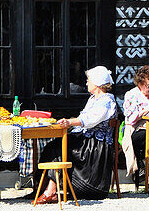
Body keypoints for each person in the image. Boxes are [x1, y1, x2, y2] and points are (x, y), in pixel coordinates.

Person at [34, 65, 118, 202]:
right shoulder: (93, 99)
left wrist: (70, 122)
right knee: (52, 146)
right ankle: (42, 189)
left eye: (89, 80)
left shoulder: (107, 101)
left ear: (97, 83)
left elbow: (91, 120)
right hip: (86, 140)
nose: (86, 83)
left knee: (59, 148)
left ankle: (50, 191)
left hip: (94, 146)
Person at [121, 65, 149, 187]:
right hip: (136, 130)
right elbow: (131, 118)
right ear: (139, 83)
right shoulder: (131, 95)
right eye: (148, 85)